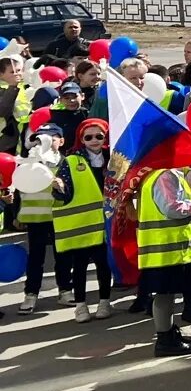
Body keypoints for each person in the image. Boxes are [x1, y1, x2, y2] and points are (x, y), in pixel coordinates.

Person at [135, 160, 191, 357]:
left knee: (167, 296)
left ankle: (169, 333)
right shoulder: (165, 175)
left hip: (164, 250)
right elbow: (172, 208)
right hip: (167, 250)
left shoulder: (155, 174)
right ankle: (165, 339)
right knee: (165, 296)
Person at [52, 117, 114, 321]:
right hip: (83, 224)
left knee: (104, 264)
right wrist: (59, 187)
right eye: (89, 137)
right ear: (81, 139)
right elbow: (62, 194)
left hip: (106, 222)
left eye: (99, 136)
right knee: (79, 266)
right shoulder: (71, 160)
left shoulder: (113, 158)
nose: (94, 140)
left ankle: (105, 302)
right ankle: (81, 305)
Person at [11, 130, 65, 312]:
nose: (41, 144)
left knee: (63, 255)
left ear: (61, 141)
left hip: (58, 216)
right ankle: (31, 294)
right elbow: (19, 188)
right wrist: (16, 215)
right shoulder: (29, 163)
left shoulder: (65, 162)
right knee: (36, 257)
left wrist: (61, 186)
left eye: (50, 139)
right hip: (35, 218)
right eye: (36, 141)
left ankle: (65, 290)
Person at [0, 55, 31, 158]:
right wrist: (12, 87)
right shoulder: (2, 89)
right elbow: (3, 111)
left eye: (19, 70)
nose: (17, 74)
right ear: (1, 74)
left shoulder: (26, 86)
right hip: (5, 140)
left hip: (24, 134)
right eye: (12, 72)